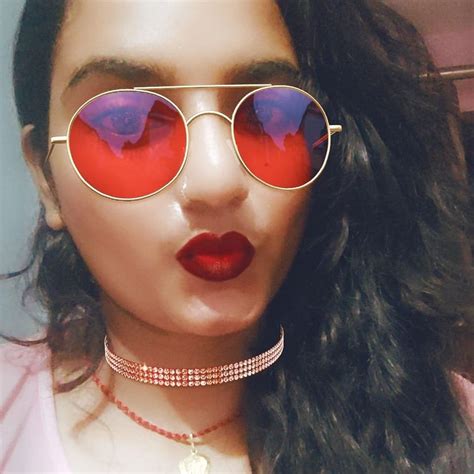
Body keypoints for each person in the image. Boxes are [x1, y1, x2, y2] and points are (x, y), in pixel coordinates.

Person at [1, 0, 473, 472]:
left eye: (269, 116)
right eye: (129, 124)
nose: (217, 180)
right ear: (46, 177)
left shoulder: (441, 426)